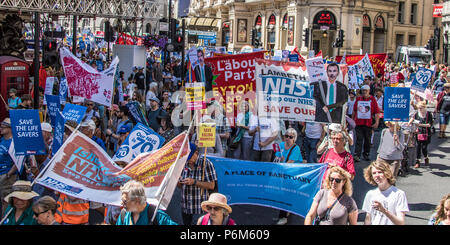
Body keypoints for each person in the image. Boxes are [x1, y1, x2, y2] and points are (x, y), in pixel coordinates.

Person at [178, 143, 217, 225]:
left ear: (196, 153)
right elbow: (180, 186)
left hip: (199, 208)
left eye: (190, 157)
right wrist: (178, 182)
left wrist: (194, 182)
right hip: (185, 207)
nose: (188, 160)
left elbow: (212, 185)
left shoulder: (206, 163)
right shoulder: (183, 163)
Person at [362, 160, 409, 225]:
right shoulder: (370, 194)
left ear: (387, 173)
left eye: (380, 172)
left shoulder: (399, 194)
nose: (377, 176)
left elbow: (401, 222)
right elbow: (368, 219)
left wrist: (384, 210)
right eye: (374, 173)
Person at [274, 127, 302, 225]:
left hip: (292, 175)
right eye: (286, 136)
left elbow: (290, 163)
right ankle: (288, 209)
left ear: (294, 138)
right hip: (282, 174)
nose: (288, 138)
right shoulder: (281, 145)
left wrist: (282, 160)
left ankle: (283, 217)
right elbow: (277, 157)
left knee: (285, 194)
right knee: (285, 194)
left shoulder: (296, 148)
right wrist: (279, 158)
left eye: (291, 137)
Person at [352, 84, 381, 162]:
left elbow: (376, 112)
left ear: (369, 91)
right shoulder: (358, 99)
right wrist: (352, 120)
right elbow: (354, 110)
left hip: (368, 123)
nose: (364, 92)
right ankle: (357, 155)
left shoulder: (372, 99)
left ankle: (366, 154)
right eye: (363, 90)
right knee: (359, 139)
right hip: (359, 123)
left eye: (366, 91)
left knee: (368, 140)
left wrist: (377, 122)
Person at [0, 118, 17, 215]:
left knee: (5, 201)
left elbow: (18, 161)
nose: (1, 128)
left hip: (6, 177)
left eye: (3, 127)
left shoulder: (13, 143)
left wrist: (8, 174)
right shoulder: (3, 140)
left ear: (10, 129)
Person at [412, 101, 433, 168]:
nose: (419, 110)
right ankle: (418, 161)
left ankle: (426, 157)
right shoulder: (417, 114)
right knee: (418, 147)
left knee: (424, 148)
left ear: (424, 107)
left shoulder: (429, 114)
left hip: (426, 133)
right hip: (418, 133)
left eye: (421, 108)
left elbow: (429, 125)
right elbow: (413, 119)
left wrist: (420, 125)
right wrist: (409, 124)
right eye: (418, 108)